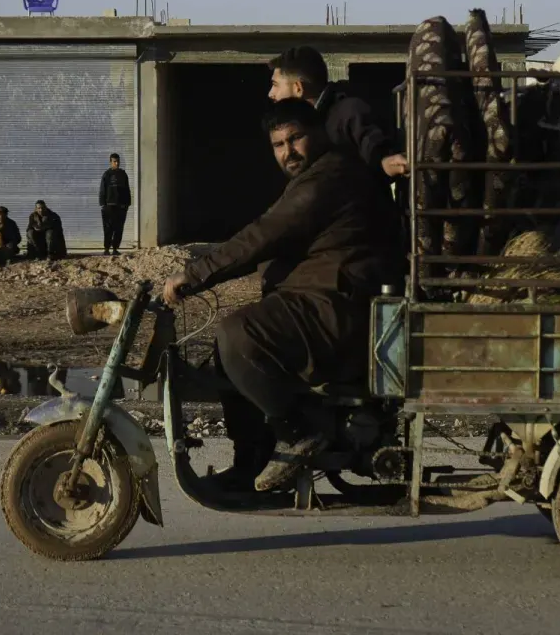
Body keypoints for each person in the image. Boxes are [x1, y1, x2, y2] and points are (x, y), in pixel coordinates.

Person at [163, 98, 403, 494]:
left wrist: (193, 275)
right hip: (319, 300)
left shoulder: (328, 177)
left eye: (295, 138)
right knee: (227, 358)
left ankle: (300, 433)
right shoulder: (314, 177)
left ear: (319, 133)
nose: (288, 151)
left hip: (337, 308)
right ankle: (249, 463)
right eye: (278, 144)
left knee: (238, 335)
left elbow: (263, 235)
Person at [268, 46, 409, 179]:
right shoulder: (311, 119)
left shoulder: (348, 112)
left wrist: (384, 161)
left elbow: (373, 147)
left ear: (298, 88)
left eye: (275, 85)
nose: (271, 94)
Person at [99, 153, 132, 255]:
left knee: (119, 228)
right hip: (109, 206)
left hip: (121, 206)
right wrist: (103, 204)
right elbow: (102, 190)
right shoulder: (107, 175)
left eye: (118, 161)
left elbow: (127, 189)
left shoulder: (123, 174)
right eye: (114, 161)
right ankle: (106, 249)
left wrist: (127, 204)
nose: (117, 163)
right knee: (108, 228)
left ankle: (115, 249)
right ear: (110, 162)